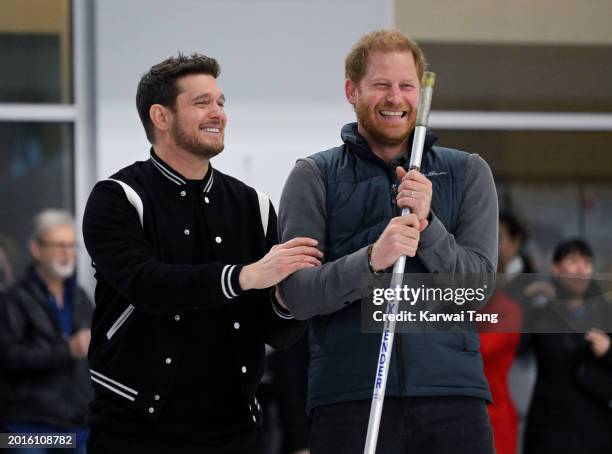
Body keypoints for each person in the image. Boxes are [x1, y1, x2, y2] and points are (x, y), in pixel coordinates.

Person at [82, 53, 322, 454]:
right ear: (160, 116)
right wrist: (244, 276)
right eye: (202, 103)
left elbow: (278, 332)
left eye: (221, 102)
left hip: (236, 433)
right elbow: (147, 285)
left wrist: (286, 299)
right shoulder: (118, 197)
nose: (219, 114)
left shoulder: (254, 205)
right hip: (135, 432)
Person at [278, 29, 498, 453]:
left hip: (453, 398)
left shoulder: (467, 172)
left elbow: (479, 290)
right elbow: (297, 296)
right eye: (380, 85)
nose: (394, 98)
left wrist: (429, 226)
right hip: (349, 400)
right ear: (352, 90)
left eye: (406, 86)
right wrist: (371, 260)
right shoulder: (314, 175)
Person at [0, 209, 93, 454]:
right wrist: (68, 350)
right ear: (36, 249)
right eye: (59, 245)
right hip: (26, 427)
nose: (67, 253)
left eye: (72, 246)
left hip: (76, 424)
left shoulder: (81, 298)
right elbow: (8, 357)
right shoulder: (13, 299)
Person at [523, 239, 612, 454]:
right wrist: (525, 300)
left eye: (587, 262)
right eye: (573, 260)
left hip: (595, 426)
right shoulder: (539, 312)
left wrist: (609, 351)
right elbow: (515, 347)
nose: (581, 269)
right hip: (549, 426)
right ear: (555, 268)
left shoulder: (604, 311)